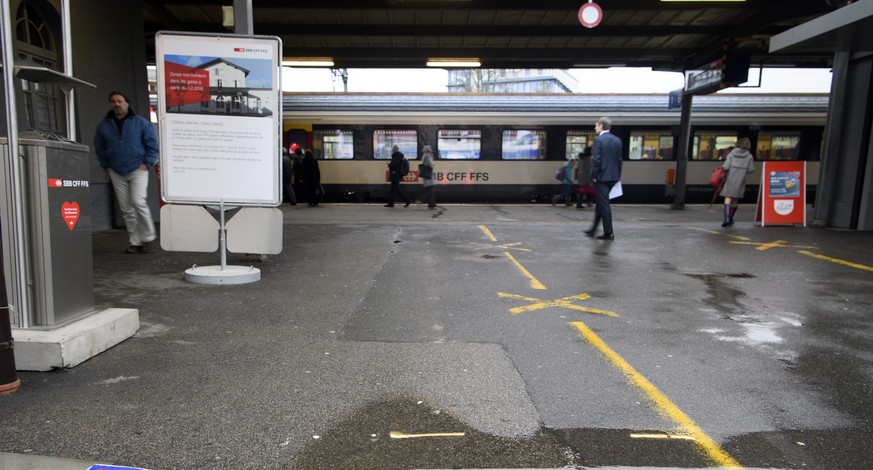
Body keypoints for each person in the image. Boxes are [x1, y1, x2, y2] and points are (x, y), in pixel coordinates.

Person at [94, 91, 159, 254]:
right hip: (116, 171)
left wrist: (147, 163)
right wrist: (106, 165)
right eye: (113, 101)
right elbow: (99, 147)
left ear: (127, 103)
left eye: (120, 101)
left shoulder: (140, 123)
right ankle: (135, 242)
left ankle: (149, 237)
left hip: (138, 169)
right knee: (127, 208)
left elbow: (152, 145)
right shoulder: (104, 126)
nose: (117, 104)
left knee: (138, 202)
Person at [584, 116, 622, 240]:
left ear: (601, 125)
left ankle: (608, 233)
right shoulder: (617, 140)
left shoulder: (598, 140)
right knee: (601, 203)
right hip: (613, 177)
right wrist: (617, 176)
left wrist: (594, 176)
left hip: (601, 178)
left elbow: (596, 160)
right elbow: (619, 160)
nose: (595, 128)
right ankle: (593, 229)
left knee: (604, 204)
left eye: (596, 125)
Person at [719, 137, 755, 227]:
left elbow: (726, 167)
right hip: (741, 180)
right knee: (735, 201)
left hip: (730, 179)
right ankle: (730, 219)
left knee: (727, 199)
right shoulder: (749, 156)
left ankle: (726, 219)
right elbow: (751, 170)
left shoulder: (732, 154)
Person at [420, 145, 437, 209]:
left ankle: (432, 205)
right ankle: (422, 200)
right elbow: (431, 165)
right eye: (430, 148)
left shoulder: (424, 155)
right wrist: (433, 164)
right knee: (431, 191)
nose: (431, 149)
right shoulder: (427, 156)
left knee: (430, 191)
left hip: (427, 176)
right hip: (428, 175)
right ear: (427, 150)